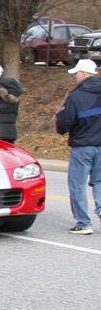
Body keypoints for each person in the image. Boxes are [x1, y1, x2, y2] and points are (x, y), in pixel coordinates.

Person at [56, 59, 101, 235]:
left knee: (77, 184)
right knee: (99, 181)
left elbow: (65, 123)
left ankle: (83, 223)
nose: (75, 77)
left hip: (83, 146)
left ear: (83, 74)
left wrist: (59, 121)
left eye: (76, 74)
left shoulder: (75, 97)